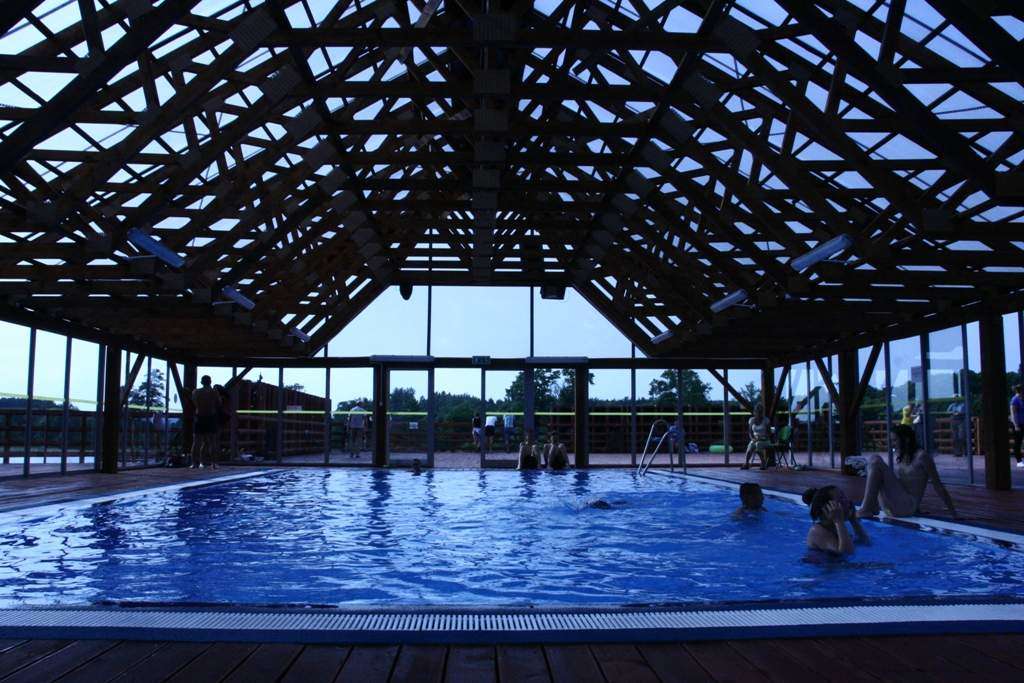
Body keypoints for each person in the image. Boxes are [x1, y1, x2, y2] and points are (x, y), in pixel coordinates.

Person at [856, 430, 958, 519]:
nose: (892, 444)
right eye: (891, 440)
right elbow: (905, 485)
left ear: (906, 440)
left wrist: (954, 513)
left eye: (895, 440)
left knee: (876, 460)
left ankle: (866, 508)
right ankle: (871, 506)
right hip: (891, 507)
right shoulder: (902, 456)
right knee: (873, 460)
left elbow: (938, 486)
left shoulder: (922, 457)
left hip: (906, 508)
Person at [803, 485, 870, 555]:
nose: (848, 501)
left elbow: (865, 543)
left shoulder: (835, 527)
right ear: (828, 508)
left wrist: (853, 520)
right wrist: (838, 521)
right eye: (841, 498)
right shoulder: (817, 531)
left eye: (845, 497)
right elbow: (847, 554)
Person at [191, 375, 221, 469]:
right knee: (212, 441)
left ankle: (194, 463)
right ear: (210, 382)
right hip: (210, 417)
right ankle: (214, 463)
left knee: (196, 441)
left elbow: (194, 403)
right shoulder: (214, 392)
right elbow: (219, 403)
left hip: (200, 416)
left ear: (201, 382)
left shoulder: (196, 392)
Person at [742, 403, 771, 470]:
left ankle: (763, 463)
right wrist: (752, 438)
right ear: (754, 412)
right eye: (757, 412)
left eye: (760, 412)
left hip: (765, 440)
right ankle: (746, 463)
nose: (759, 413)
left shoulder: (766, 420)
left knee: (758, 445)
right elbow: (750, 432)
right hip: (755, 439)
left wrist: (762, 438)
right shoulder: (751, 420)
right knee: (750, 446)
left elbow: (769, 433)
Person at [1011, 385, 1023, 469]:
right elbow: (1013, 413)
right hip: (1018, 424)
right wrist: (1016, 425)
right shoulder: (1015, 400)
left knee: (1020, 442)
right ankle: (1019, 461)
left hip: (1023, 423)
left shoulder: (1021, 399)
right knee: (1018, 442)